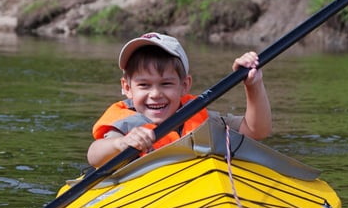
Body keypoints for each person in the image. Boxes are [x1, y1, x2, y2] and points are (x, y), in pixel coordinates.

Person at [87, 32, 272, 167]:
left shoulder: (197, 115)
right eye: (144, 85)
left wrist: (253, 85)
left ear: (184, 85)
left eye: (166, 84)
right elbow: (94, 155)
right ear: (127, 88)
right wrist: (121, 143)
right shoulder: (125, 127)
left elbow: (257, 130)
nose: (155, 94)